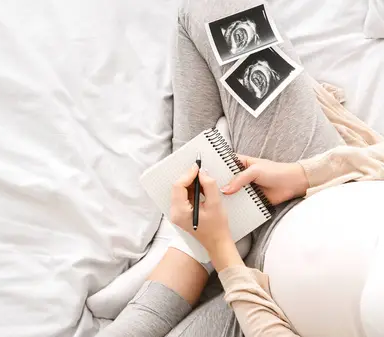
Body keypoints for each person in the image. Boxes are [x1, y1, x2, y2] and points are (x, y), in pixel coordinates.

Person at [96, 0, 384, 336]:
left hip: (271, 315)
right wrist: (304, 174)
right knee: (221, 10)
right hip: (324, 185)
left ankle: (194, 248)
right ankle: (196, 231)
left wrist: (220, 250)